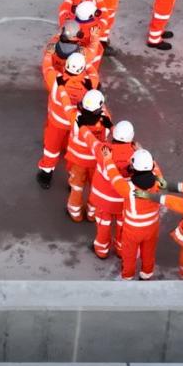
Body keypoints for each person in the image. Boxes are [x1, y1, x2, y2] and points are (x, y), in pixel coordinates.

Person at [83, 119, 140, 260]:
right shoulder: (137, 156)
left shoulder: (103, 150)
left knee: (103, 225)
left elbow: (90, 140)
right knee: (122, 226)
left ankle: (101, 250)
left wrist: (82, 125)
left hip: (103, 202)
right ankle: (121, 250)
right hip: (124, 202)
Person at [38, 49, 95, 186]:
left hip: (56, 123)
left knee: (51, 147)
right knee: (73, 152)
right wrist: (85, 60)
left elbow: (47, 67)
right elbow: (93, 72)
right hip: (75, 125)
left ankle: (46, 174)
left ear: (66, 65)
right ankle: (72, 180)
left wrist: (49, 53)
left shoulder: (56, 80)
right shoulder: (89, 83)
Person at [108, 148, 166, 281]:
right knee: (149, 252)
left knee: (129, 255)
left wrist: (107, 159)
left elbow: (113, 176)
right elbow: (156, 169)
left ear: (134, 167)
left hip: (132, 231)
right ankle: (146, 274)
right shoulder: (159, 181)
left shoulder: (128, 188)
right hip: (152, 228)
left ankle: (128, 276)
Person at [63, 91, 111, 224]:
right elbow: (106, 115)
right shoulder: (105, 120)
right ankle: (92, 214)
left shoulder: (75, 118)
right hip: (96, 162)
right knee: (95, 189)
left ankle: (75, 213)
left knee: (77, 188)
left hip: (78, 162)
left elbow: (67, 106)